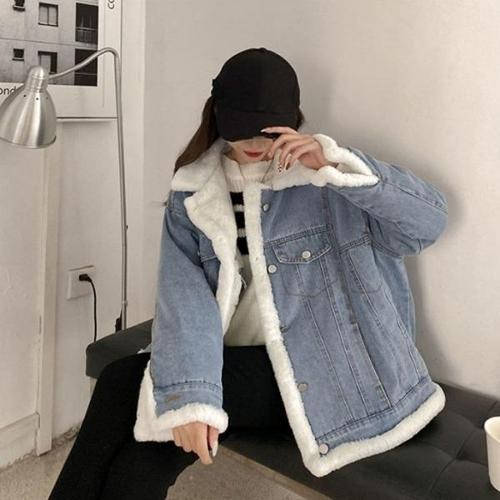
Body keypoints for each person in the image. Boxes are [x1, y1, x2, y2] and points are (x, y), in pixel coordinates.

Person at [50, 47, 449, 497]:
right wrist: (192, 396)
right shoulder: (195, 192)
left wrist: (335, 165)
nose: (255, 141)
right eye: (242, 126)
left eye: (267, 127)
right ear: (218, 115)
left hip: (328, 368)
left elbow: (427, 225)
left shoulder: (325, 183)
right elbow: (185, 299)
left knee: (123, 386)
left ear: (292, 118)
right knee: (139, 453)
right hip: (233, 360)